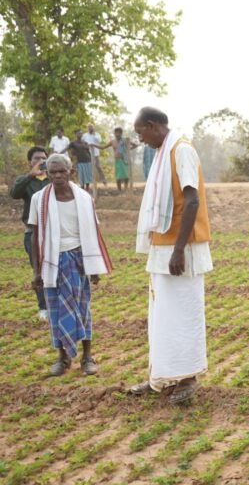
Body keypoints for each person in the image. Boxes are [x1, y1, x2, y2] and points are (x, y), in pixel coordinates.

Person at [129, 107, 213, 404]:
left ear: (152, 126)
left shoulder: (182, 151)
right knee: (162, 315)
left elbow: (192, 201)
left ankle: (188, 377)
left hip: (182, 247)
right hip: (163, 245)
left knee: (184, 313)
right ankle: (163, 375)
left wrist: (178, 250)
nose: (140, 139)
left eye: (141, 132)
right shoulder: (163, 152)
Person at [28, 153, 112, 376]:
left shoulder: (84, 198)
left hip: (78, 260)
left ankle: (87, 357)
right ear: (47, 174)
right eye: (52, 172)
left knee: (82, 308)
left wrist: (94, 268)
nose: (56, 176)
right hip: (52, 261)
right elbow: (36, 237)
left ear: (71, 172)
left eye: (61, 171)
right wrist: (37, 272)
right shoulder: (39, 199)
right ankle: (62, 358)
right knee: (56, 310)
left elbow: (93, 232)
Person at [10, 146, 50, 320]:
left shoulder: (53, 179)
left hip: (53, 232)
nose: (41, 161)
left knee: (56, 266)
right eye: (36, 158)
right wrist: (30, 175)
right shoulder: (25, 181)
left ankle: (57, 304)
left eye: (43, 158)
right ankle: (43, 308)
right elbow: (14, 194)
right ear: (30, 162)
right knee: (38, 269)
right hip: (33, 232)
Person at [110, 127, 138, 193]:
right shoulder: (112, 141)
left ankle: (125, 189)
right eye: (116, 132)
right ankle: (119, 190)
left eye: (119, 132)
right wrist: (94, 145)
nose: (117, 134)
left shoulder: (125, 140)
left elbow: (135, 145)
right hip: (117, 160)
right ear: (114, 133)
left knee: (126, 175)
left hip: (124, 160)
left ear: (121, 133)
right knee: (118, 176)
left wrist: (127, 150)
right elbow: (102, 147)